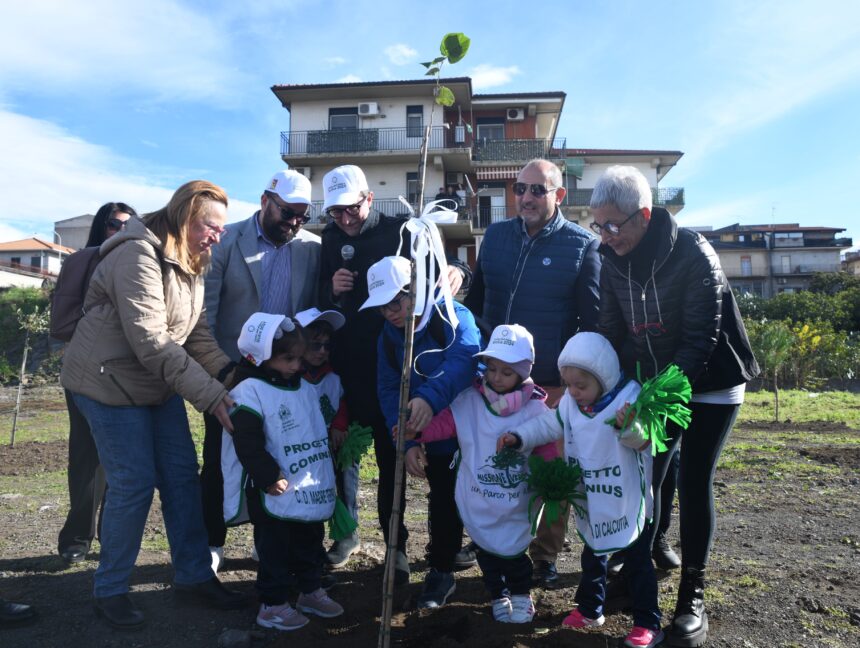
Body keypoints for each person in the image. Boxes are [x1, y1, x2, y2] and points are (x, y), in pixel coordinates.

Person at [60, 181, 246, 630]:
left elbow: (194, 333)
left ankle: (194, 575)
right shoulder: (136, 253)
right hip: (105, 381)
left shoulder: (191, 257)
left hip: (154, 384)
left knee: (182, 478)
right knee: (133, 482)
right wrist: (212, 396)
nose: (217, 235)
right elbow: (152, 340)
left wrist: (232, 376)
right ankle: (110, 591)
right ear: (185, 215)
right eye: (209, 225)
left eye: (221, 228)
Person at [591, 165, 759, 647]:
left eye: (613, 225)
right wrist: (601, 388)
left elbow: (698, 340)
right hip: (655, 379)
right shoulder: (610, 255)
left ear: (643, 215)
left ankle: (692, 597)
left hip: (710, 380)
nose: (605, 235)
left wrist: (653, 401)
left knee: (691, 476)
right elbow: (611, 330)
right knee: (649, 474)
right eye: (598, 224)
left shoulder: (692, 251)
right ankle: (647, 563)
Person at [317, 164, 467, 584]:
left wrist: (460, 272)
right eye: (335, 213)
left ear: (369, 198)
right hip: (353, 368)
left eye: (351, 209)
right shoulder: (329, 240)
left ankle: (420, 549)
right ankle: (366, 541)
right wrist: (333, 289)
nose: (344, 220)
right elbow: (317, 297)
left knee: (412, 460)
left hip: (403, 364)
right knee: (359, 459)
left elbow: (444, 266)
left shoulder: (404, 230)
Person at [464, 157, 601, 588]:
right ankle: (489, 539)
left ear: (559, 195)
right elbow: (477, 301)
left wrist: (569, 383)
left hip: (548, 389)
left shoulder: (582, 246)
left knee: (547, 475)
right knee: (491, 466)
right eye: (519, 189)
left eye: (536, 190)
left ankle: (544, 554)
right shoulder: (496, 236)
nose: (524, 197)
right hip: (492, 383)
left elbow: (590, 322)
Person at [499, 332, 662, 648]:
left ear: (604, 378)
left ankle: (648, 622)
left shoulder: (629, 398)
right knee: (593, 553)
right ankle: (590, 609)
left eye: (581, 386)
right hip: (593, 497)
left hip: (626, 498)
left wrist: (629, 426)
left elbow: (645, 441)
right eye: (568, 384)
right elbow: (548, 425)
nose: (573, 392)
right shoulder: (571, 404)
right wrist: (519, 436)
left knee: (638, 561)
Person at [202, 170, 320, 571]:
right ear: (265, 200)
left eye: (302, 216)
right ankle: (212, 540)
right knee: (221, 456)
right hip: (231, 370)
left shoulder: (311, 247)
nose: (294, 222)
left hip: (285, 373)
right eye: (288, 212)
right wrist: (219, 373)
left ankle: (265, 540)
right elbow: (206, 317)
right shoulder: (226, 242)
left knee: (278, 457)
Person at [406, 324, 557, 623]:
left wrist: (551, 476)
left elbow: (546, 446)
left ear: (523, 372)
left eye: (506, 372)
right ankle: (497, 593)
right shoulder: (470, 401)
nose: (496, 378)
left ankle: (520, 593)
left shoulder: (536, 410)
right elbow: (446, 424)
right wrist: (419, 432)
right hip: (481, 495)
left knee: (514, 554)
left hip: (516, 498)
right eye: (492, 369)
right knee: (487, 552)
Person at [361, 255, 480, 606]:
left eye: (395, 302)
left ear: (417, 290)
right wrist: (406, 438)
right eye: (382, 308)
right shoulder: (389, 336)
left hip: (469, 428)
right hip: (427, 433)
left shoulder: (452, 317)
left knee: (478, 496)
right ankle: (441, 569)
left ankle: (502, 568)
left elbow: (464, 360)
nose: (390, 313)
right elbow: (387, 388)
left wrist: (429, 398)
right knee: (442, 496)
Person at [221, 313, 344, 632]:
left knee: (310, 539)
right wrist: (267, 475)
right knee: (274, 549)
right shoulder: (249, 391)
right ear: (259, 357)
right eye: (287, 359)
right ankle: (272, 604)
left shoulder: (300, 385)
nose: (296, 365)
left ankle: (309, 590)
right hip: (273, 487)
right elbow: (246, 441)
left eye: (298, 358)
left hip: (306, 485)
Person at [57, 202, 136, 565]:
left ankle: (111, 535)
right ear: (100, 229)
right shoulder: (84, 262)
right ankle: (77, 537)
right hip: (86, 370)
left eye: (128, 225)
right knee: (87, 457)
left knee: (121, 460)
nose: (120, 231)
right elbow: (62, 319)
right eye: (113, 225)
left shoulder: (139, 263)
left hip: (127, 372)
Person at [294, 307, 359, 567]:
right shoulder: (292, 375)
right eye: (315, 345)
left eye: (327, 346)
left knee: (343, 480)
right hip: (303, 448)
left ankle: (347, 533)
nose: (321, 351)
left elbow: (340, 402)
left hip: (332, 442)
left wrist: (339, 426)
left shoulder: (332, 375)